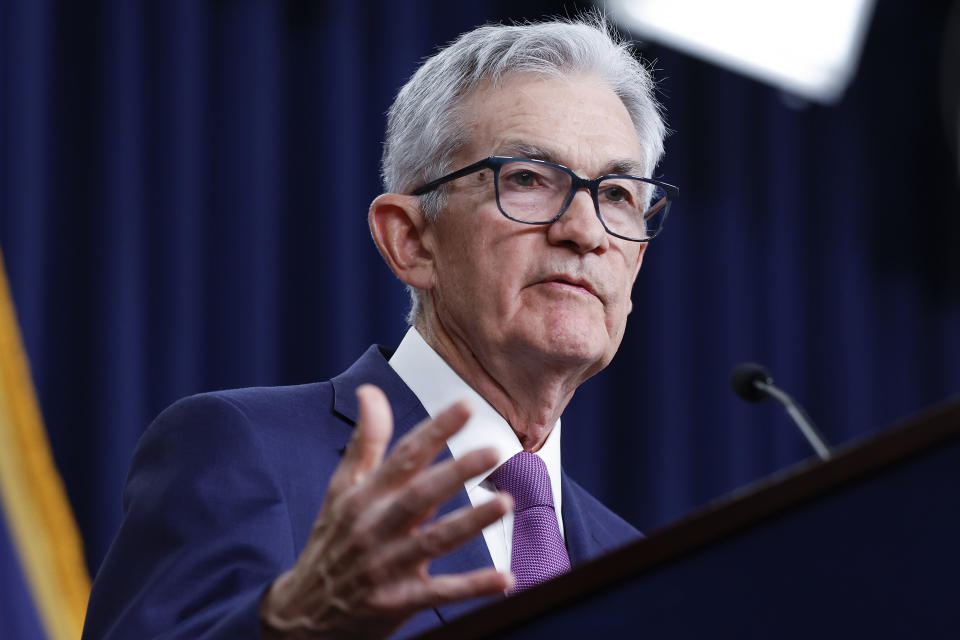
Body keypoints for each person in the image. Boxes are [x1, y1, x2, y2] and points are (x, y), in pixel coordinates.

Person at [82, 15, 674, 640]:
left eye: (615, 195)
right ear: (411, 240)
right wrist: (290, 627)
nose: (583, 231)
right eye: (526, 179)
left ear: (636, 257)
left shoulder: (638, 563)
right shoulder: (243, 450)